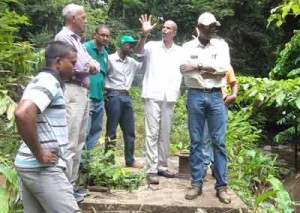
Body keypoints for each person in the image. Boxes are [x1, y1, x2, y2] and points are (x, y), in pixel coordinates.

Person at [14, 41, 80, 212]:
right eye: (72, 63)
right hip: (41, 169)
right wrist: (39, 153)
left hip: (30, 165)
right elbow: (22, 113)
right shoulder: (48, 81)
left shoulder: (42, 80)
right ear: (58, 62)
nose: (75, 68)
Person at [180, 12, 232, 203]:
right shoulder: (187, 47)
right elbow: (184, 69)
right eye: (208, 26)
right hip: (195, 95)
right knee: (195, 141)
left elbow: (223, 69)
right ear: (199, 27)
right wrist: (211, 68)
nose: (211, 30)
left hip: (217, 96)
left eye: (213, 26)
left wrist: (199, 65)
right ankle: (196, 183)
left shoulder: (221, 45)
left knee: (219, 141)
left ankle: (222, 186)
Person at [55, 3, 100, 202]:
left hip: (82, 92)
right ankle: (64, 190)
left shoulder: (78, 41)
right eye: (83, 17)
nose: (85, 20)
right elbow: (79, 65)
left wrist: (90, 65)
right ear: (73, 18)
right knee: (70, 142)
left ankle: (71, 186)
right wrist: (88, 65)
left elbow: (94, 64)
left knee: (79, 140)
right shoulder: (63, 37)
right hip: (71, 91)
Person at [136, 15, 182, 184]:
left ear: (174, 32)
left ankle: (162, 166)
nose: (164, 29)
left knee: (165, 132)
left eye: (168, 28)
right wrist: (144, 34)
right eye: (163, 27)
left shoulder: (180, 51)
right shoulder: (152, 46)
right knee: (152, 132)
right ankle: (151, 169)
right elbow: (138, 52)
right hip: (153, 93)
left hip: (169, 95)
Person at [104, 35, 142, 168]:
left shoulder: (132, 62)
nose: (131, 47)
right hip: (113, 95)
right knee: (111, 130)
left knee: (129, 130)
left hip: (126, 96)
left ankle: (130, 160)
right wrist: (104, 93)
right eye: (129, 45)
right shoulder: (109, 59)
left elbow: (145, 65)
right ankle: (108, 160)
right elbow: (102, 74)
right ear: (121, 44)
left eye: (133, 45)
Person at [202, 68, 238, 176]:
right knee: (204, 136)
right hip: (204, 101)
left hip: (222, 102)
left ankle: (216, 167)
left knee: (219, 137)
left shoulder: (226, 65)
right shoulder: (203, 62)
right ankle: (203, 166)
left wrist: (234, 95)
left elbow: (234, 83)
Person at [83, 25, 110, 164]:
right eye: (102, 35)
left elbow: (103, 75)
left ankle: (88, 161)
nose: (105, 38)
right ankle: (80, 163)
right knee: (84, 131)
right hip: (86, 97)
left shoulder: (105, 54)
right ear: (95, 34)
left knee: (96, 131)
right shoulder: (85, 48)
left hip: (99, 98)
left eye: (107, 36)